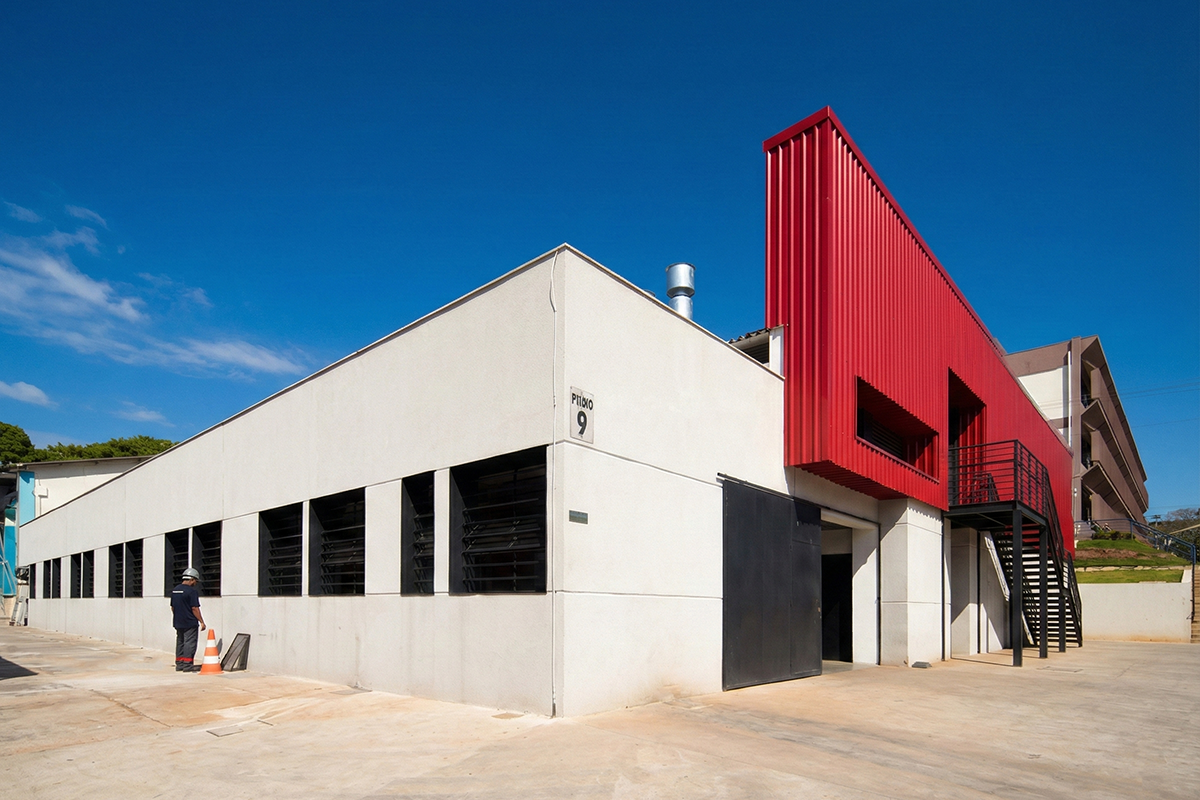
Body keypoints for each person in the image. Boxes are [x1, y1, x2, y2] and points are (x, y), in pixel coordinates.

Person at [170, 567, 206, 672]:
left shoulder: (175, 590)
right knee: (189, 643)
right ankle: (187, 665)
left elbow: (172, 607)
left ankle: (179, 664)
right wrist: (202, 621)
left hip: (178, 622)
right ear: (192, 579)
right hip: (189, 622)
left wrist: (178, 616)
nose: (195, 583)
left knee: (180, 642)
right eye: (195, 581)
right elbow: (194, 608)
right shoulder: (191, 591)